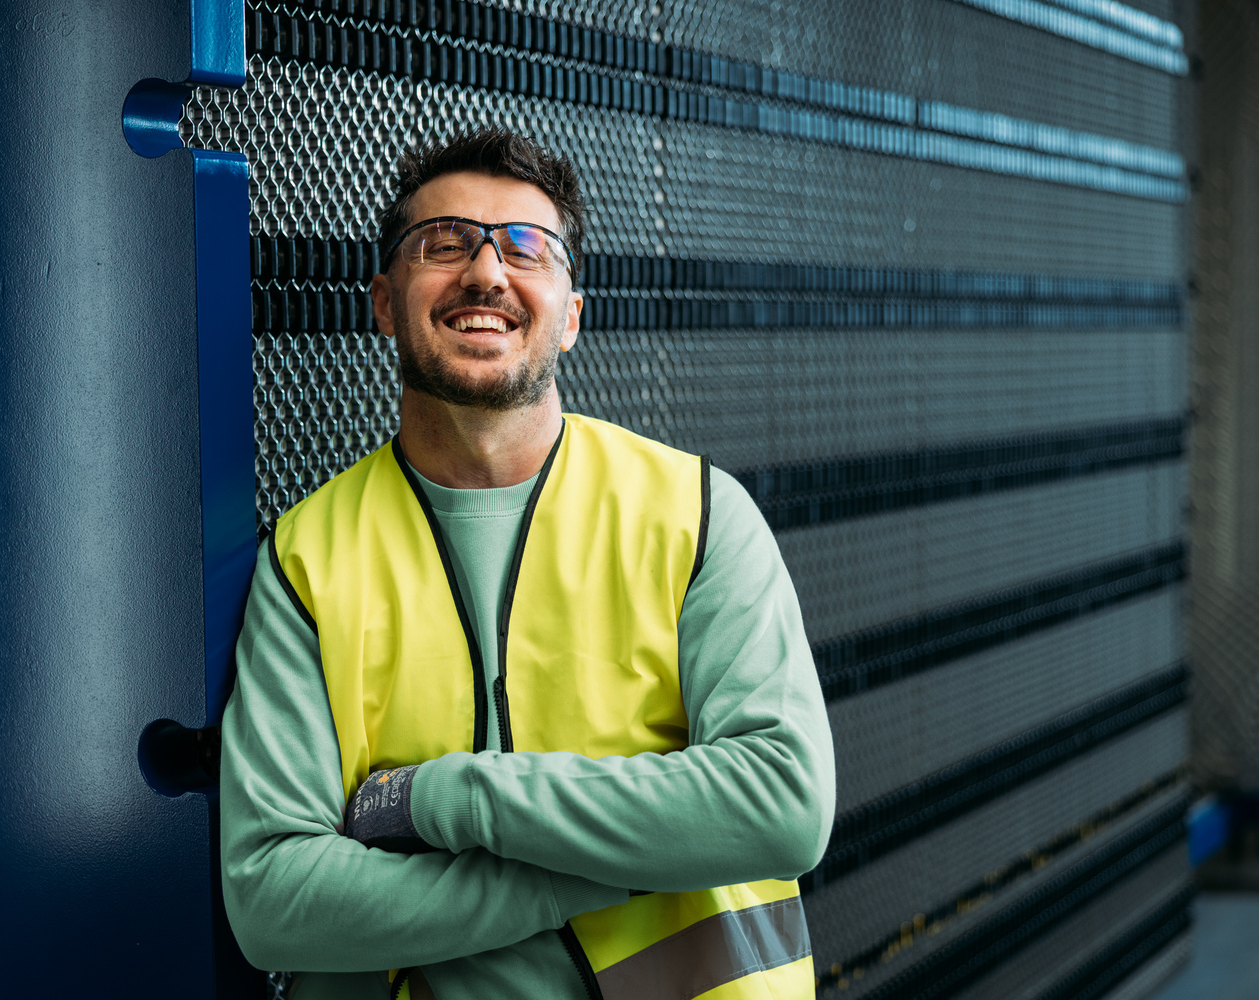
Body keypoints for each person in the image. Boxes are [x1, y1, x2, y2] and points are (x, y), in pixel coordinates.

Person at [219, 127, 837, 1000]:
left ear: (571, 316)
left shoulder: (695, 512)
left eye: (526, 247)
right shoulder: (307, 558)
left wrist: (450, 799)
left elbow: (782, 802)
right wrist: (614, 864)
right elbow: (273, 898)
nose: (485, 272)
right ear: (384, 302)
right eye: (444, 244)